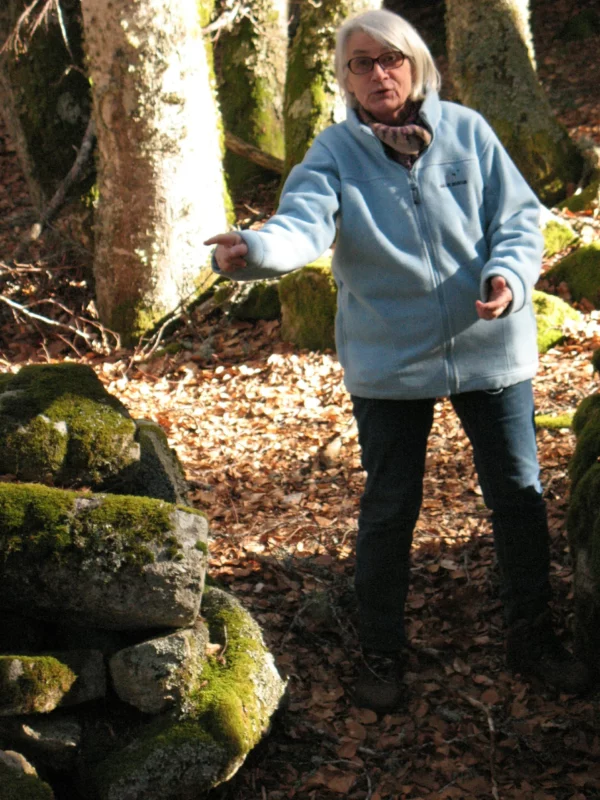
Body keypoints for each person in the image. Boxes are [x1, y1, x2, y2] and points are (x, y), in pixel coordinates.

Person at [205, 9, 592, 712]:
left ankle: (533, 640)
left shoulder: (468, 133)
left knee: (518, 495)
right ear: (345, 79)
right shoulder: (333, 153)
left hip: (491, 347)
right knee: (389, 508)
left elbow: (520, 220)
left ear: (416, 66)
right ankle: (381, 652)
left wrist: (508, 276)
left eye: (391, 60)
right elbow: (300, 227)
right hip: (390, 359)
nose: (379, 74)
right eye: (362, 63)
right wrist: (253, 250)